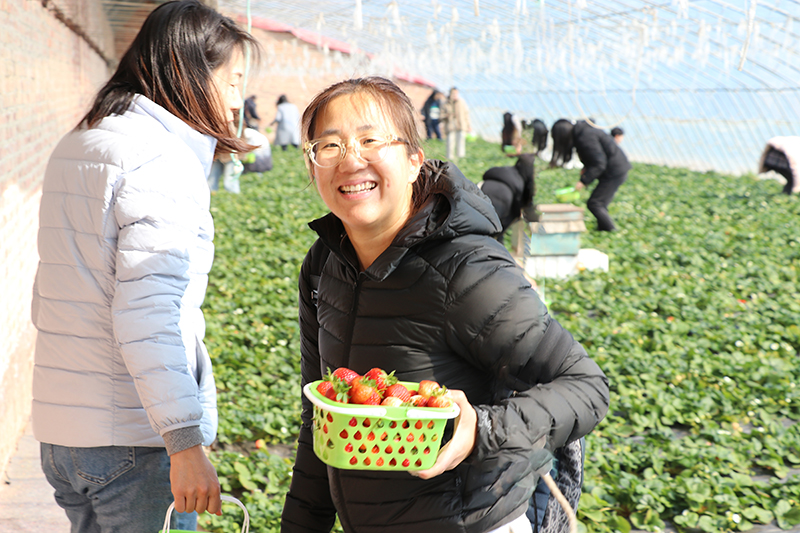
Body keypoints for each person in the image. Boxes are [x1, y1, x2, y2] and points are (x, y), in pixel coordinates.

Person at [280, 76, 609, 533]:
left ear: (414, 161)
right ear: (312, 164)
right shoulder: (324, 264)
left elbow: (586, 385)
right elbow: (320, 420)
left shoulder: (467, 269)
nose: (351, 160)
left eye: (371, 140)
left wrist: (483, 428)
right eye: (329, 146)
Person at [30, 2, 258, 531]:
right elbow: (149, 314)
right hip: (132, 443)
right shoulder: (160, 160)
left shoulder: (81, 140)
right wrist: (184, 442)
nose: (236, 99)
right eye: (232, 81)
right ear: (189, 72)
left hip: (62, 435)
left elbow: (50, 290)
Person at [551, 119, 631, 232]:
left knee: (595, 203)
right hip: (616, 168)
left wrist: (584, 181)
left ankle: (610, 230)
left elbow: (599, 163)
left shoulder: (585, 137)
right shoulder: (584, 132)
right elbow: (596, 156)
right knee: (599, 203)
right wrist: (587, 168)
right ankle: (602, 229)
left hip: (615, 171)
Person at [481, 153, 537, 241]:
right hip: (500, 203)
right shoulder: (520, 184)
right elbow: (524, 207)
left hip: (481, 194)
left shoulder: (506, 173)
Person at [443, 86, 471, 160]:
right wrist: (447, 115)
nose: (455, 95)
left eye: (456, 93)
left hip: (461, 125)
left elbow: (466, 114)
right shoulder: (446, 103)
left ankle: (461, 158)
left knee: (461, 142)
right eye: (453, 93)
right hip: (450, 126)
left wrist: (468, 125)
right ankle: (450, 158)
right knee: (450, 142)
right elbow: (441, 115)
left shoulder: (462, 102)